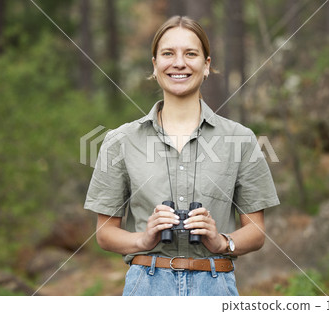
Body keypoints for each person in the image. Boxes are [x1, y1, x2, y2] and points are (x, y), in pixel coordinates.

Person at [84, 16, 279, 296]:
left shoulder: (241, 139)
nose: (179, 63)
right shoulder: (120, 141)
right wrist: (143, 238)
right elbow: (104, 233)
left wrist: (221, 241)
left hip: (215, 285)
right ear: (154, 65)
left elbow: (256, 232)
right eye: (168, 54)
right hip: (147, 286)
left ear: (207, 65)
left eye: (190, 53)